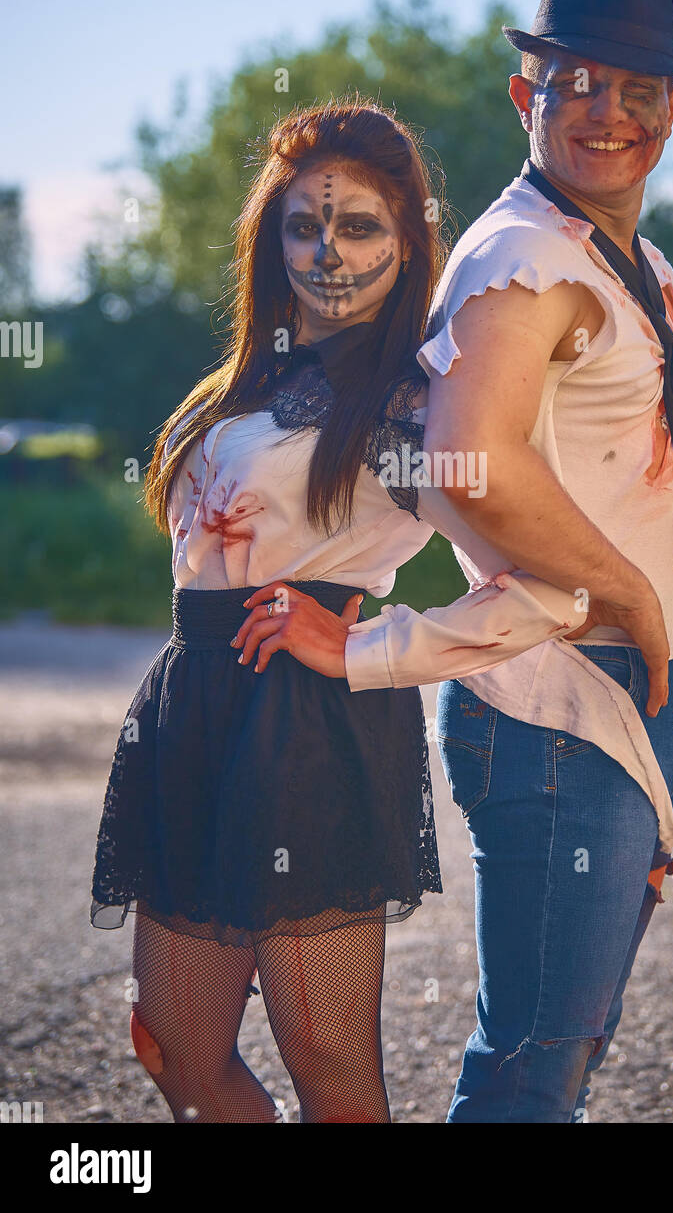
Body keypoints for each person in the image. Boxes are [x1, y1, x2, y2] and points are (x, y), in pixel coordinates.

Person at [235, 0, 673, 1123]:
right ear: (527, 98)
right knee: (528, 1070)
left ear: (671, 109)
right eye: (575, 83)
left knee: (568, 1046)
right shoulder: (520, 257)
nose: (606, 112)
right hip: (562, 704)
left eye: (635, 88)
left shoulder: (634, 267)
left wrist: (668, 668)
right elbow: (474, 465)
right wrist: (638, 600)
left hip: (629, 691)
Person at [89, 96, 592, 1125]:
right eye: (302, 225)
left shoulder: (414, 407)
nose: (327, 250)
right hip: (193, 713)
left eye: (359, 224)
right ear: (270, 239)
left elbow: (547, 588)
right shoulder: (239, 382)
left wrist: (371, 644)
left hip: (305, 726)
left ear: (409, 244)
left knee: (329, 1064)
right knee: (176, 1050)